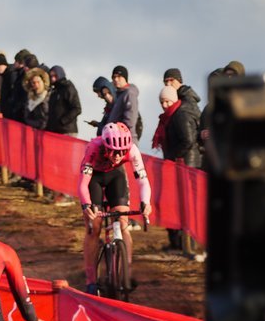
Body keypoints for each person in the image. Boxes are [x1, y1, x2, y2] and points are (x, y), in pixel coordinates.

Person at [77, 122, 153, 294]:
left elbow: (143, 181)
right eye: (114, 151)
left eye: (122, 152)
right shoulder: (93, 148)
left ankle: (125, 271)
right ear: (105, 145)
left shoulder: (132, 150)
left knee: (123, 222)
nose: (118, 156)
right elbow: (83, 184)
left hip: (115, 177)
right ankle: (91, 280)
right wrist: (87, 205)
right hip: (94, 179)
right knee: (93, 228)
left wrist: (145, 202)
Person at [153, 84, 201, 255]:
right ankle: (180, 244)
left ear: (173, 100)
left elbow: (188, 141)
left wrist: (172, 157)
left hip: (185, 165)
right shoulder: (171, 116)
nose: (164, 105)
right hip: (179, 164)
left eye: (167, 101)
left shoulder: (179, 116)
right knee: (178, 204)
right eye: (161, 102)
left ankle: (188, 246)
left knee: (185, 205)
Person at [106, 65, 142, 143]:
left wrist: (119, 131)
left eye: (119, 77)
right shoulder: (119, 94)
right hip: (117, 140)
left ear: (125, 78)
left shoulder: (129, 94)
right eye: (114, 77)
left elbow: (130, 120)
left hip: (126, 140)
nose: (116, 79)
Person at [45, 66, 81, 135]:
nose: (53, 78)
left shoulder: (68, 87)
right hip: (54, 131)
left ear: (60, 74)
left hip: (67, 131)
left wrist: (62, 121)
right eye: (51, 76)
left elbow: (77, 108)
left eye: (55, 75)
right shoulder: (54, 90)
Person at [23, 66, 51, 130]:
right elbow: (27, 117)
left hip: (48, 131)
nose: (36, 85)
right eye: (34, 83)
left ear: (43, 82)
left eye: (38, 82)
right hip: (34, 130)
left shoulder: (49, 96)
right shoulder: (30, 99)